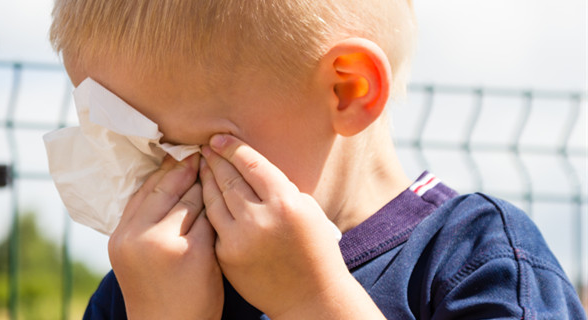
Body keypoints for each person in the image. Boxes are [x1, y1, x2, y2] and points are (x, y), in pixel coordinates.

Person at [48, 0, 586, 319]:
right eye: (134, 148)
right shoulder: (143, 289)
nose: (163, 180)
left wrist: (314, 301)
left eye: (186, 149)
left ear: (347, 91)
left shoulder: (480, 262)